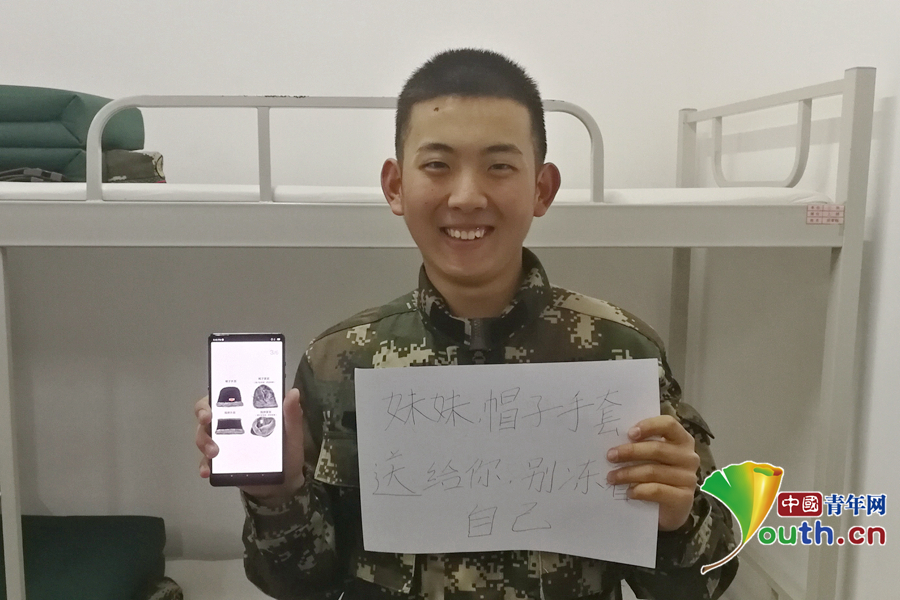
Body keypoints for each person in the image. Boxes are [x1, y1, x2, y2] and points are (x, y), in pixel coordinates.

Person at [195, 48, 737, 599]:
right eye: (437, 165)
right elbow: (295, 585)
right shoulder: (340, 361)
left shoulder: (620, 353)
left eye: (499, 166)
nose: (467, 196)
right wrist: (276, 495)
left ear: (543, 189)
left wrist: (679, 519)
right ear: (395, 186)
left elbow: (706, 582)